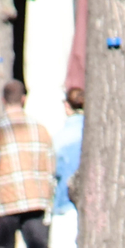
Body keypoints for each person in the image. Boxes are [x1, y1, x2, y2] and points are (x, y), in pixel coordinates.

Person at [0, 79, 56, 248]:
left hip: (5, 202)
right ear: (23, 99)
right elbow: (51, 168)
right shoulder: (41, 130)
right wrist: (48, 198)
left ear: (3, 100)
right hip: (35, 200)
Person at [55, 85, 85, 214]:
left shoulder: (60, 138)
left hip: (65, 205)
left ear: (67, 106)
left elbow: (53, 172)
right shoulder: (96, 133)